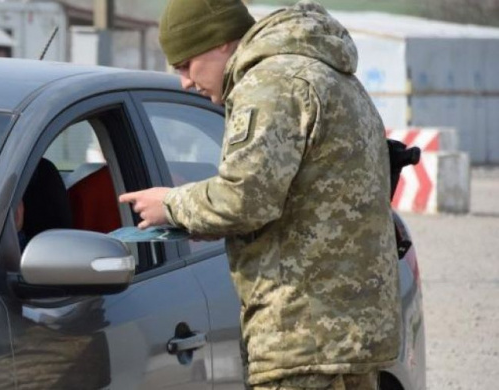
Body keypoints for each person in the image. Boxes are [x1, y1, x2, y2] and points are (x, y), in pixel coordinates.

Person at [119, 1, 401, 389]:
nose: (184, 81)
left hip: (304, 337)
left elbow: (243, 200)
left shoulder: (270, 84)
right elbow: (311, 200)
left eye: (185, 64)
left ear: (220, 43)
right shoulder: (325, 73)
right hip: (347, 335)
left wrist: (170, 205)